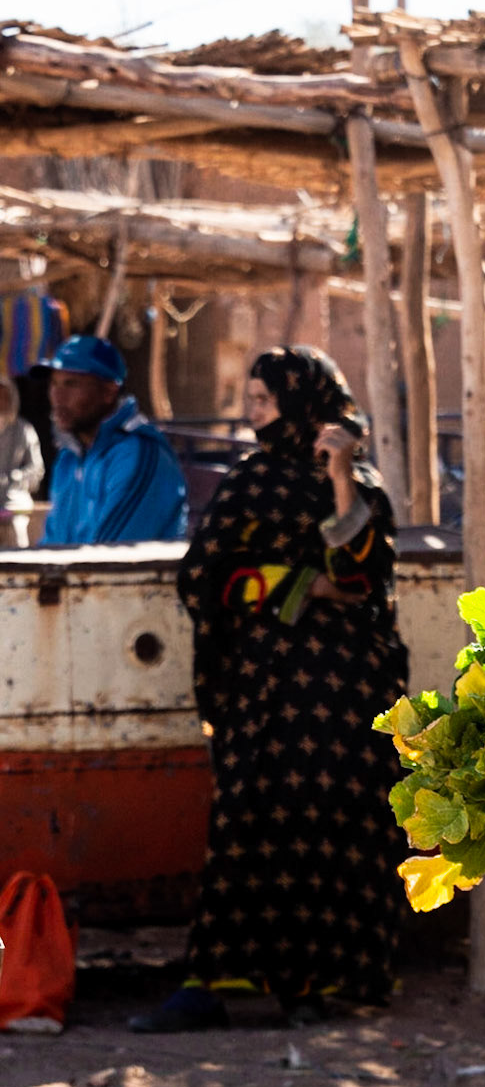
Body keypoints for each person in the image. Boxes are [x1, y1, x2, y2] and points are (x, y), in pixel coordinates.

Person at [130, 347, 408, 1033]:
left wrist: (340, 475)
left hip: (346, 700)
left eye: (262, 400)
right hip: (264, 694)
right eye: (250, 400)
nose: (252, 413)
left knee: (330, 830)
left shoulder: (361, 486)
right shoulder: (249, 482)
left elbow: (362, 577)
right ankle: (211, 984)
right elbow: (204, 578)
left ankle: (311, 983)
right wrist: (295, 583)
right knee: (248, 826)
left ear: (303, 402)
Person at [39, 336, 187, 546]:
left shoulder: (137, 452)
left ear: (109, 391)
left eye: (71, 384)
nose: (57, 396)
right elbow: (51, 543)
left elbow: (109, 559)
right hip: (76, 577)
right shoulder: (68, 458)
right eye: (53, 383)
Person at [0, 375, 44, 531]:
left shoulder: (24, 430)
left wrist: (14, 478)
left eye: (5, 397)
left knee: (17, 529)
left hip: (14, 499)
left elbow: (36, 469)